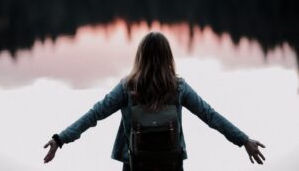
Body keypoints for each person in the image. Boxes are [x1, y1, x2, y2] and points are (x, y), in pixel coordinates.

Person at [43, 32, 266, 170]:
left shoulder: (127, 87)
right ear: (168, 56)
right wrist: (243, 140)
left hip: (135, 163)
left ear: (139, 56)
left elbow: (94, 115)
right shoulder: (178, 87)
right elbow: (210, 116)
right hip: (171, 161)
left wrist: (60, 139)